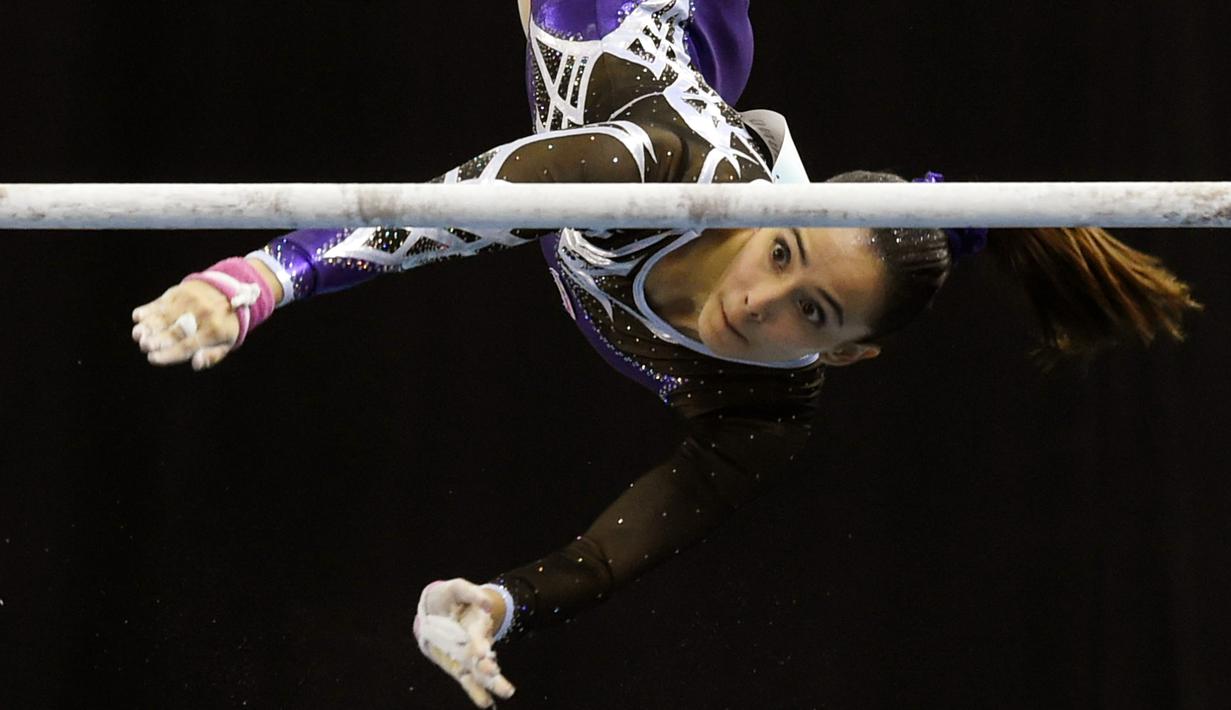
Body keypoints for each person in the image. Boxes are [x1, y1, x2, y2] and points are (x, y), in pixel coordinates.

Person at [129, 1, 1201, 706]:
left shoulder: (764, 414)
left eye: (813, 313)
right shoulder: (657, 171)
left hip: (705, 50)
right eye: (783, 251)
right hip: (619, 33)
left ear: (845, 359)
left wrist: (499, 600)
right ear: (778, 204)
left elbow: (612, 552)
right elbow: (443, 212)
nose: (757, 301)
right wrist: (259, 280)